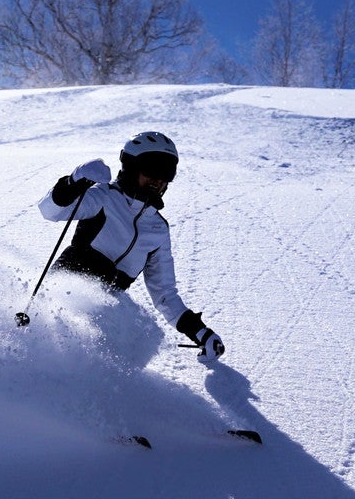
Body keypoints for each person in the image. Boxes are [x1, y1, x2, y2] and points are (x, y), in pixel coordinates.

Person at [36, 130, 224, 359]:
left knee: (134, 342)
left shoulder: (158, 230)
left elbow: (165, 294)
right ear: (132, 167)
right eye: (152, 169)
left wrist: (200, 333)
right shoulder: (104, 197)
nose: (158, 179)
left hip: (104, 314)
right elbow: (50, 211)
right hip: (60, 300)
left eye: (166, 172)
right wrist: (73, 181)